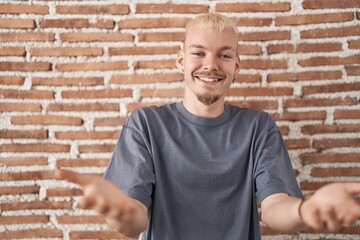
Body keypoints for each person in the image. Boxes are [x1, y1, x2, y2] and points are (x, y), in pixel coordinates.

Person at [54, 13, 360, 240]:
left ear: (236, 66)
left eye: (224, 55)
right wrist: (118, 212)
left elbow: (275, 205)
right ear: (180, 61)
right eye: (198, 52)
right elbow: (134, 219)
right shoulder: (146, 124)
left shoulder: (258, 127)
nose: (210, 64)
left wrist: (305, 211)